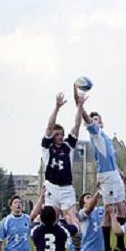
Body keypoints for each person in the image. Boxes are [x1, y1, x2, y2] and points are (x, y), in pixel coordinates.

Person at [75, 87, 126, 251]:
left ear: (103, 122)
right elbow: (86, 119)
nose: (94, 121)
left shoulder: (107, 138)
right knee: (110, 211)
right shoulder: (96, 135)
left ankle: (120, 246)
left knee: (122, 209)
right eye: (92, 120)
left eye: (97, 119)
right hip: (107, 177)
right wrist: (81, 105)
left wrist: (121, 174)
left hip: (113, 175)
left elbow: (111, 161)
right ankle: (108, 249)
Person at [42, 91, 82, 226]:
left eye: (61, 134)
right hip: (52, 186)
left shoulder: (67, 146)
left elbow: (77, 125)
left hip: (66, 188)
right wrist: (57, 108)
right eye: (57, 134)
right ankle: (54, 246)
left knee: (71, 217)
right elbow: (49, 127)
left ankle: (77, 244)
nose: (59, 136)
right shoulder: (47, 147)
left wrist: (80, 106)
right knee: (51, 219)